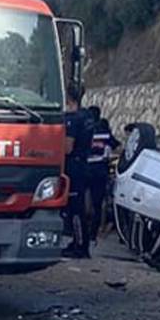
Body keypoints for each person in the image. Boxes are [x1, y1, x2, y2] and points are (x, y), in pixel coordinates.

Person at [62, 86, 95, 258]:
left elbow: (67, 147)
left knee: (75, 208)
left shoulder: (72, 120)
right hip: (84, 163)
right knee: (79, 206)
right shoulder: (87, 116)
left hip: (73, 166)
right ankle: (80, 242)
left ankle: (80, 245)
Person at [82, 105, 120, 252]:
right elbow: (116, 146)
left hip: (85, 169)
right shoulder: (105, 133)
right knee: (98, 205)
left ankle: (81, 233)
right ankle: (93, 234)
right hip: (100, 171)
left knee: (82, 203)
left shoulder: (85, 130)